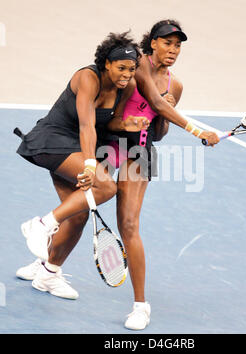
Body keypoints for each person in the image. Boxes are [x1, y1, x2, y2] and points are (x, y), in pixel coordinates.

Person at [16, 20, 219, 330]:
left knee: (128, 225)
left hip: (140, 152)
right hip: (110, 144)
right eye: (167, 43)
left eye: (178, 45)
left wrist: (160, 117)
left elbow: (159, 129)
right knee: (80, 208)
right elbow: (113, 118)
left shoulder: (174, 85)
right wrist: (195, 129)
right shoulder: (134, 68)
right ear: (152, 43)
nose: (173, 50)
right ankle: (48, 265)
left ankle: (141, 306)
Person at [15, 31, 148, 299]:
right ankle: (41, 225)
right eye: (121, 67)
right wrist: (90, 166)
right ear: (106, 63)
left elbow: (108, 122)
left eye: (132, 69)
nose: (126, 74)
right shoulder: (87, 77)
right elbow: (87, 124)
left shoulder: (127, 86)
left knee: (78, 214)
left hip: (77, 148)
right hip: (52, 140)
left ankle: (49, 275)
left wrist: (125, 124)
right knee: (106, 187)